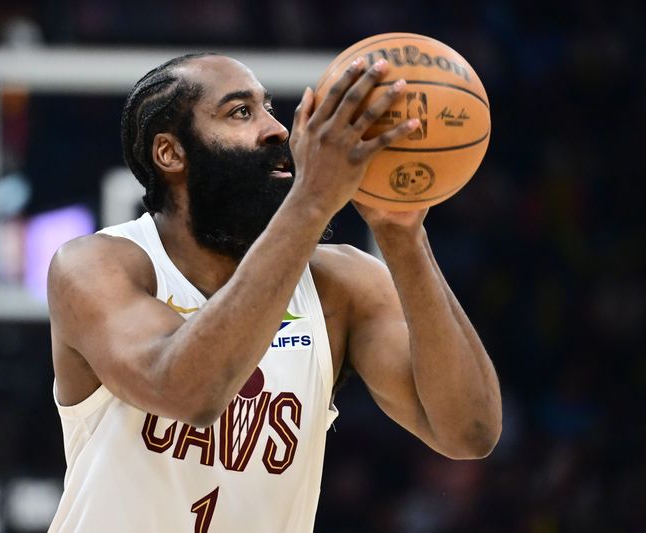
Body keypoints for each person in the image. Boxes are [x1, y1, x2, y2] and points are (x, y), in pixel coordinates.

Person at [46, 52, 502, 532]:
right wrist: (312, 200)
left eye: (269, 109)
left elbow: (469, 433)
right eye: (240, 112)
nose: (277, 130)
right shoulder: (98, 266)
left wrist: (403, 236)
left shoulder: (340, 284)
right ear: (171, 153)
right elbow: (187, 392)